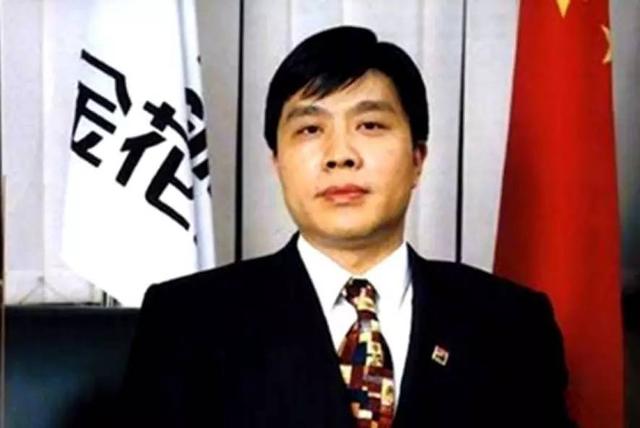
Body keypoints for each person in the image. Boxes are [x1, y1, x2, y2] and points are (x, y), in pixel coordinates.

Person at [121, 26, 574, 427]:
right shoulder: (188, 321)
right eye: (310, 130)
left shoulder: (512, 324)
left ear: (417, 159)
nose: (340, 155)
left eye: (370, 125)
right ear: (277, 163)